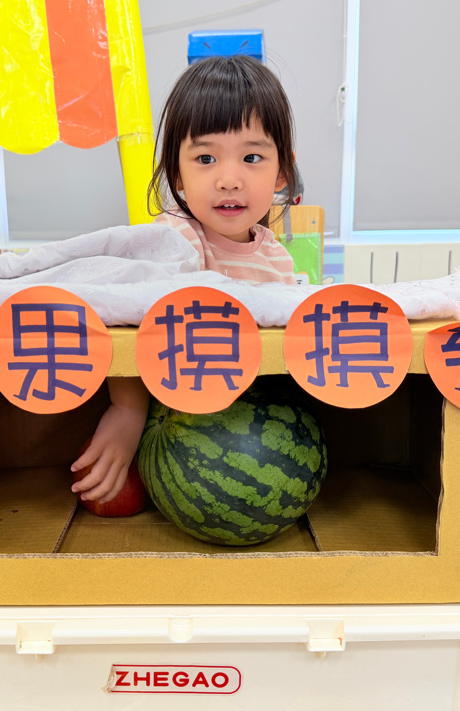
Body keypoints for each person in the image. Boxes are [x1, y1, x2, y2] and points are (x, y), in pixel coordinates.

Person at [70, 55, 300, 506]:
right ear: (176, 172)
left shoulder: (277, 259)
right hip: (172, 429)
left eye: (252, 157)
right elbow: (126, 316)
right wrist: (127, 411)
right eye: (206, 158)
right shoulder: (175, 241)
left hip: (246, 439)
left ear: (282, 172)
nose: (229, 179)